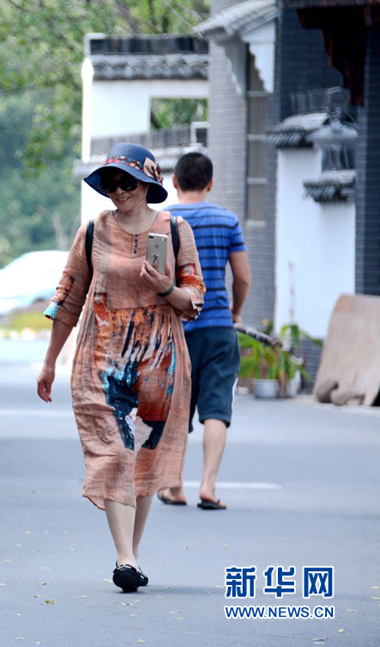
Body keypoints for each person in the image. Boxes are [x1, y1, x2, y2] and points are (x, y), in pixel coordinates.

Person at [35, 143, 205, 593]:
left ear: (148, 184)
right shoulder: (92, 230)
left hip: (159, 357)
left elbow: (194, 301)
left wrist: (166, 287)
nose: (118, 190)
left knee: (143, 457)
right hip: (101, 357)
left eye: (126, 181)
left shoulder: (176, 229)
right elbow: (68, 298)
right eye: (110, 182)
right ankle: (125, 557)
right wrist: (50, 361)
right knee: (114, 453)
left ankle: (132, 553)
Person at [157, 152, 250, 510]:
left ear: (174, 183)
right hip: (217, 329)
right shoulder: (227, 221)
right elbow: (241, 276)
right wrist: (235, 311)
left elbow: (154, 277)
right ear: (210, 183)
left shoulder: (162, 222)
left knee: (175, 408)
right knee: (216, 409)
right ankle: (208, 487)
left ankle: (174, 485)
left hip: (173, 330)